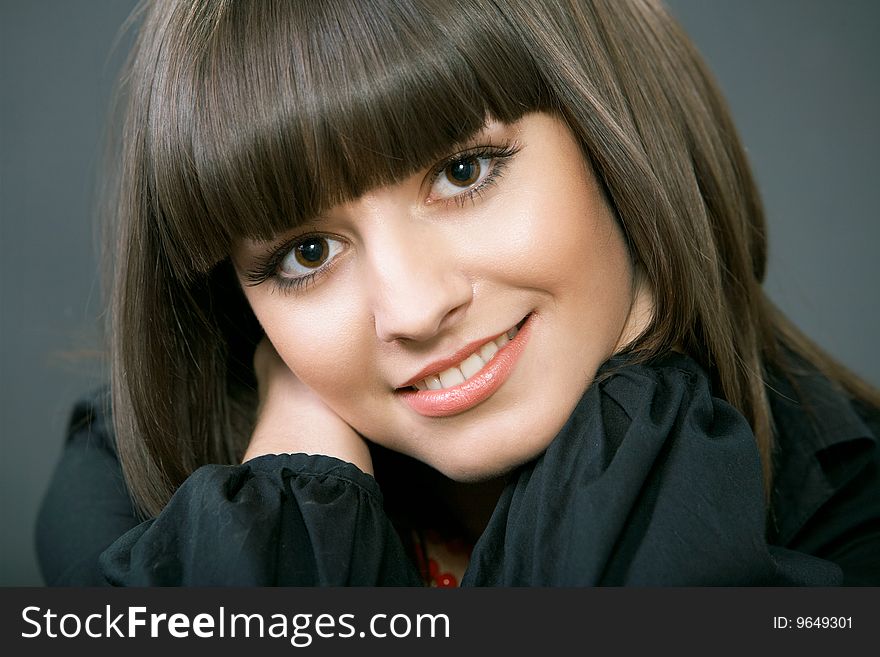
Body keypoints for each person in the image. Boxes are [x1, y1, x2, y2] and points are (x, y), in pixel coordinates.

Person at [36, 0, 879, 586]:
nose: (412, 308)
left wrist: (638, 416)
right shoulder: (133, 511)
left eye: (462, 171)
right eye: (307, 252)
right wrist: (297, 488)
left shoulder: (853, 520)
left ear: (616, 140)